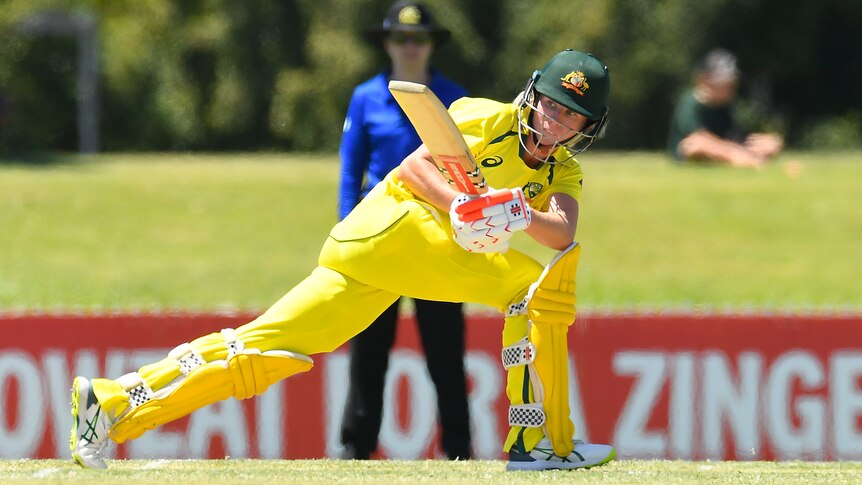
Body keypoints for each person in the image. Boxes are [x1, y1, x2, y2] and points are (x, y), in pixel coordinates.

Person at [70, 48, 616, 472]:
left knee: (266, 349)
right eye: (553, 107)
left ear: (588, 129)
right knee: (530, 288)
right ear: (532, 96)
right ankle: (537, 442)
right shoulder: (482, 116)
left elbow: (562, 232)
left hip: (374, 257)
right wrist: (463, 209)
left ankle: (113, 402)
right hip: (398, 229)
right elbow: (411, 170)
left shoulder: (562, 171)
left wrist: (513, 209)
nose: (556, 125)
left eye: (574, 119)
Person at [338, 1, 471, 461]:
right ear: (387, 43)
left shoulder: (454, 97)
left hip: (438, 237)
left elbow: (466, 168)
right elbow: (350, 171)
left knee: (445, 351)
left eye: (418, 39)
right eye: (400, 39)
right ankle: (356, 451)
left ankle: (459, 450)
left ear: (431, 44)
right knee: (369, 350)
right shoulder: (365, 97)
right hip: (381, 236)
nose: (409, 48)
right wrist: (346, 230)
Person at [667, 48, 783, 168]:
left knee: (769, 143)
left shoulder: (726, 106)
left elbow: (734, 137)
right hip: (691, 154)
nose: (730, 89)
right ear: (704, 80)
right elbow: (696, 141)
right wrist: (734, 154)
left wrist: (761, 145)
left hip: (724, 151)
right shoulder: (691, 103)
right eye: (723, 84)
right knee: (698, 145)